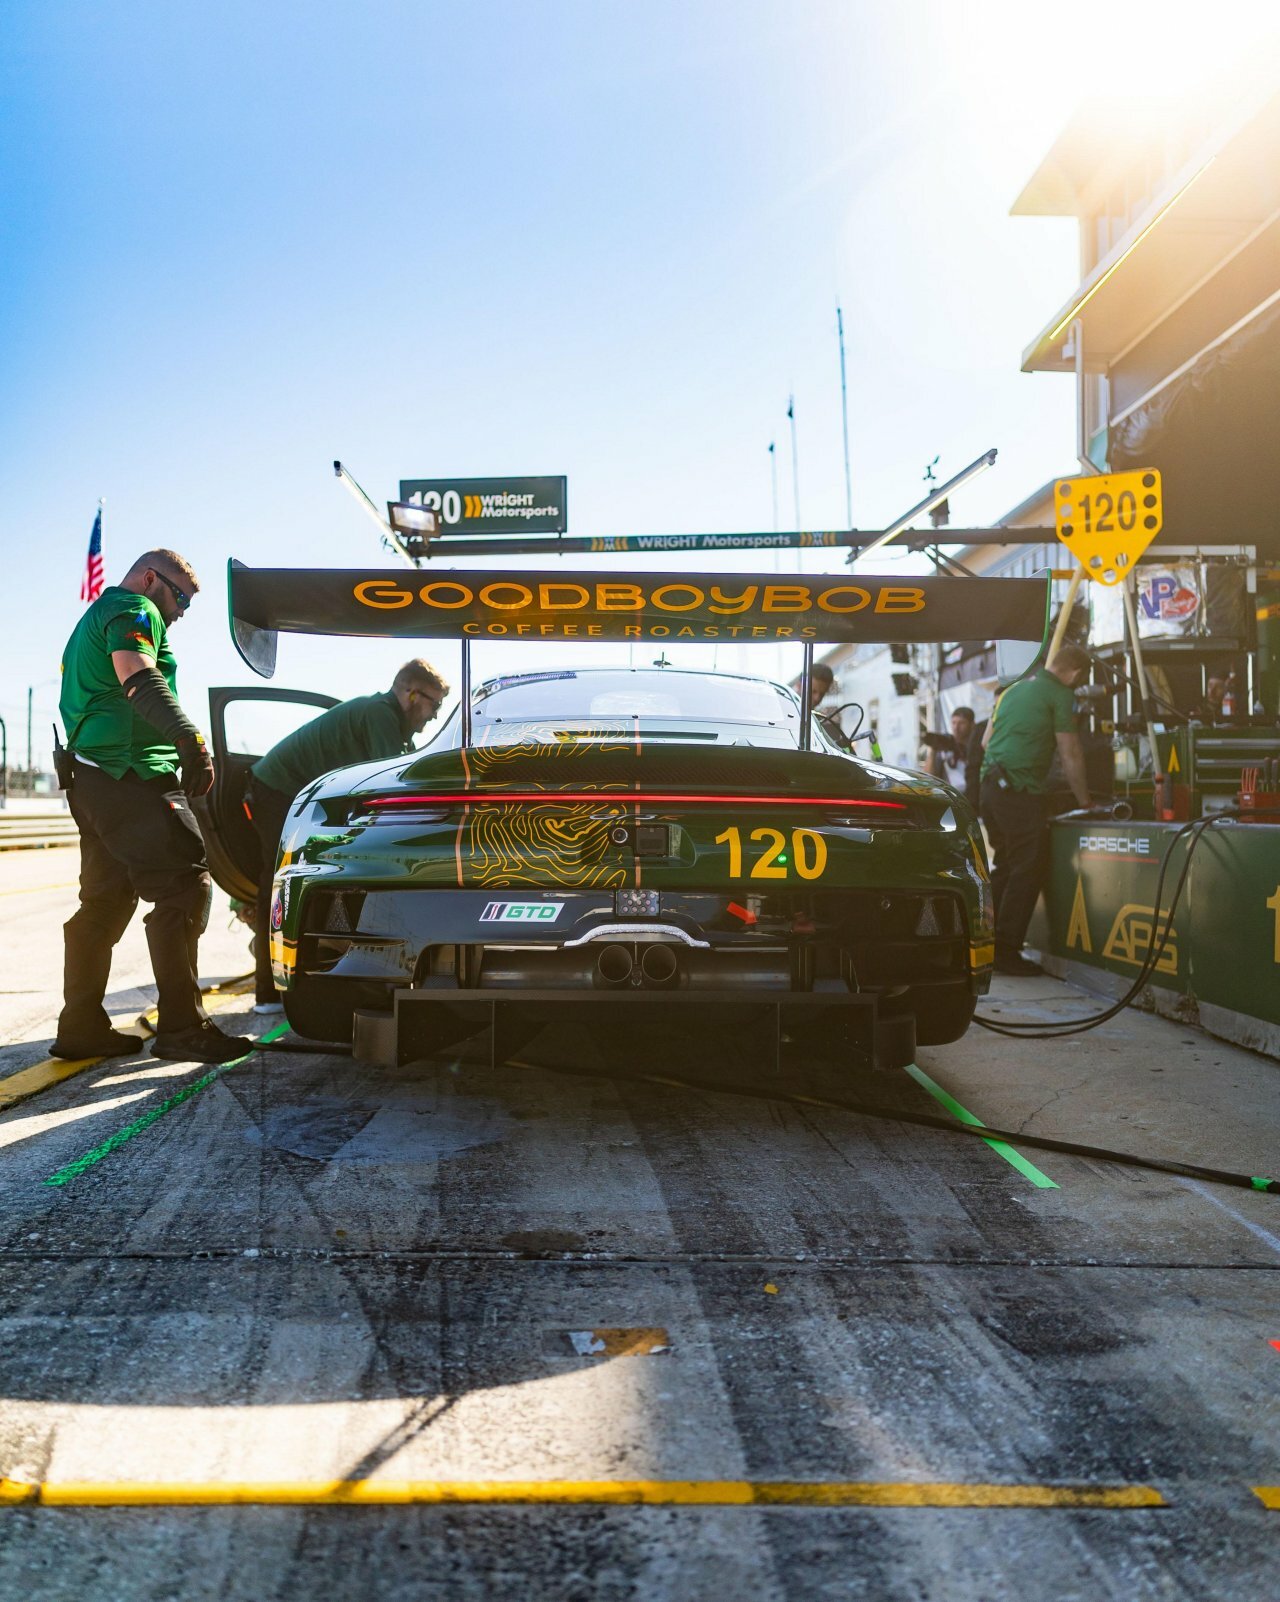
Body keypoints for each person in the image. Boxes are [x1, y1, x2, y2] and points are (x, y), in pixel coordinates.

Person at [53, 550, 253, 1063]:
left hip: (93, 782)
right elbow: (137, 674)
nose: (182, 611)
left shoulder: (91, 619)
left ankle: (80, 1026)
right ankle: (184, 1028)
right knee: (184, 886)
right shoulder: (133, 608)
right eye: (180, 596)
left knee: (104, 903)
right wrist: (190, 740)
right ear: (150, 579)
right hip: (134, 774)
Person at [246, 659, 450, 1011]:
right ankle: (269, 989)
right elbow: (398, 785)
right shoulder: (381, 713)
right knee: (282, 882)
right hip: (277, 789)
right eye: (435, 704)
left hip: (292, 792)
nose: (434, 716)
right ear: (411, 693)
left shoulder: (388, 720)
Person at [979, 643, 1091, 977]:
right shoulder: (1059, 694)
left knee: (1006, 865)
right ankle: (1007, 950)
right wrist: (1085, 800)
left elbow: (986, 742)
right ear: (1077, 673)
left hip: (990, 787)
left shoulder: (1012, 690)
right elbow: (1070, 752)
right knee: (1027, 867)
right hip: (1018, 790)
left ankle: (983, 946)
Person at [924, 706, 978, 802]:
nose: (956, 727)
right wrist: (933, 750)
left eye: (962, 723)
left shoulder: (977, 746)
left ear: (972, 724)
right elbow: (928, 777)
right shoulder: (945, 746)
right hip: (952, 799)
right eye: (953, 723)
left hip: (974, 797)